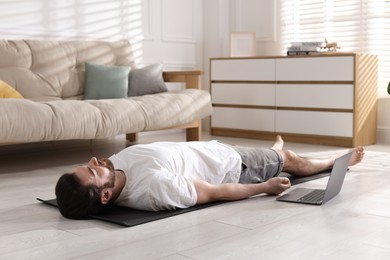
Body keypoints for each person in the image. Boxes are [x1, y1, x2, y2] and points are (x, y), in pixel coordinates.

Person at [55, 135, 364, 219]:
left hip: (213, 148)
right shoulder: (155, 191)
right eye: (93, 170)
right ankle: (331, 160)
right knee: (289, 160)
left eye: (87, 163)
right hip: (236, 165)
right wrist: (263, 187)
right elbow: (214, 191)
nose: (95, 160)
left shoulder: (112, 168)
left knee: (273, 153)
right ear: (105, 195)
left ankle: (273, 149)